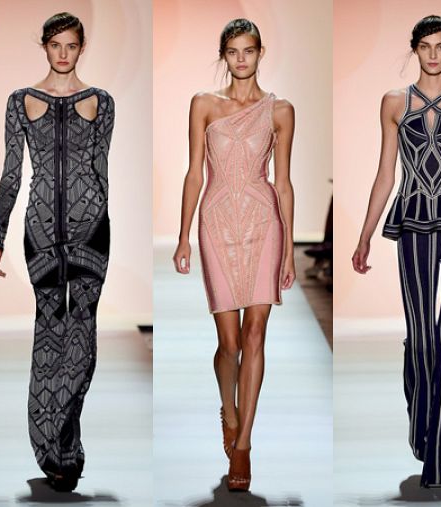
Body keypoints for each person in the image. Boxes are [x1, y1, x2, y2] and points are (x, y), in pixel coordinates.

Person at [351, 15, 441, 488]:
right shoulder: (395, 102)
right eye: (426, 46)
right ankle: (422, 420)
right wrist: (365, 234)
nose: (433, 54)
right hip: (413, 219)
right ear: (415, 49)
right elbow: (385, 173)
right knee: (422, 334)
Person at [0, 12, 114, 492]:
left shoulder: (102, 102)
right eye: (56, 44)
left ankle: (64, 445)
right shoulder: (20, 102)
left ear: (82, 47)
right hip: (39, 231)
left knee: (82, 334)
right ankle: (51, 447)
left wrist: (101, 224)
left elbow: (101, 172)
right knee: (49, 331)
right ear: (44, 46)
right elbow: (11, 172)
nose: (63, 53)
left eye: (71, 45)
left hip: (91, 229)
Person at [172, 18, 296, 492]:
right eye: (232, 51)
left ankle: (243, 444)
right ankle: (229, 407)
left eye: (248, 50)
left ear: (261, 53)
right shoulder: (204, 104)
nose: (241, 59)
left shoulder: (280, 110)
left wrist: (288, 248)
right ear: (223, 55)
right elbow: (194, 173)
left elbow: (283, 182)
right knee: (230, 342)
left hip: (264, 223)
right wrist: (183, 235)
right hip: (217, 222)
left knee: (255, 331)